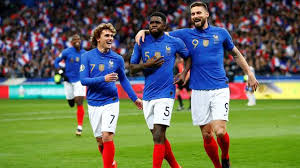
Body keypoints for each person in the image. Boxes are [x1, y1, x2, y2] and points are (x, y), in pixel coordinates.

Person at [135, 2, 259, 168]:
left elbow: (236, 54)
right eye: (193, 14)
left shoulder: (221, 33)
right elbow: (160, 33)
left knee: (220, 131)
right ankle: (218, 166)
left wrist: (249, 74)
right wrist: (143, 30)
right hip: (198, 90)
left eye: (198, 13)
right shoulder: (184, 34)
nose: (195, 16)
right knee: (207, 135)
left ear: (207, 14)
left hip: (219, 88)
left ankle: (226, 155)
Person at [130, 12, 189, 168]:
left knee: (158, 135)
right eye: (151, 22)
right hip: (148, 95)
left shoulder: (174, 42)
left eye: (157, 22)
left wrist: (184, 73)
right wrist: (146, 65)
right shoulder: (141, 41)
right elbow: (131, 68)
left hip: (166, 93)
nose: (153, 24)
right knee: (158, 136)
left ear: (165, 26)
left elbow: (188, 56)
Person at [80, 23, 143, 168]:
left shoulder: (117, 59)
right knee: (100, 141)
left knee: (107, 136)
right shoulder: (87, 57)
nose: (110, 38)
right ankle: (112, 164)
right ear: (97, 38)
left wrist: (135, 98)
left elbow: (124, 80)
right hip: (93, 102)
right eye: (107, 35)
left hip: (111, 101)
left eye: (112, 36)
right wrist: (104, 79)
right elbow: (84, 80)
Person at [54, 34, 86, 136]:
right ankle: (71, 102)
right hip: (68, 80)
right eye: (75, 40)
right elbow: (56, 61)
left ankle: (79, 127)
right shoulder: (66, 52)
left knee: (79, 101)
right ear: (72, 42)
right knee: (71, 103)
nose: (77, 41)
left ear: (80, 41)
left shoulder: (84, 53)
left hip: (79, 81)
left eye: (78, 39)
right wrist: (60, 71)